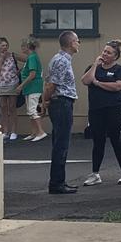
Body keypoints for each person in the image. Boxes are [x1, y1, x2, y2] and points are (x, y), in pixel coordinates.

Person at [81, 40, 121, 186]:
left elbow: (118, 86)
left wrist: (98, 83)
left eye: (108, 52)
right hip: (96, 110)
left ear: (115, 56)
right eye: (104, 51)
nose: (105, 54)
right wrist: (95, 65)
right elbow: (85, 80)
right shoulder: (93, 67)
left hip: (114, 109)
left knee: (116, 140)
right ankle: (95, 173)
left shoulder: (119, 69)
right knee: (98, 141)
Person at [42, 31, 80, 194]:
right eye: (77, 41)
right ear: (71, 43)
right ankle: (57, 183)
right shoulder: (62, 61)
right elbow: (52, 85)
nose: (79, 44)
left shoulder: (62, 59)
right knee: (61, 143)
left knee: (60, 142)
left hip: (62, 102)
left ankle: (59, 180)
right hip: (61, 102)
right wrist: (45, 101)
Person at [15, 37, 47, 142]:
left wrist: (21, 85)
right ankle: (34, 132)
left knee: (32, 110)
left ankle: (41, 132)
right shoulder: (31, 57)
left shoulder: (32, 57)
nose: (22, 48)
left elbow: (32, 74)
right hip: (30, 88)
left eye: (23, 46)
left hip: (33, 87)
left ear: (28, 47)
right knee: (30, 111)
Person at [0, 37, 21, 141]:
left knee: (12, 107)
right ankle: (5, 131)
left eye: (6, 45)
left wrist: (19, 72)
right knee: (3, 108)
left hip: (12, 84)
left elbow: (28, 59)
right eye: (2, 46)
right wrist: (1, 59)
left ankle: (14, 131)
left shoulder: (13, 55)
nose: (4, 47)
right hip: (1, 85)